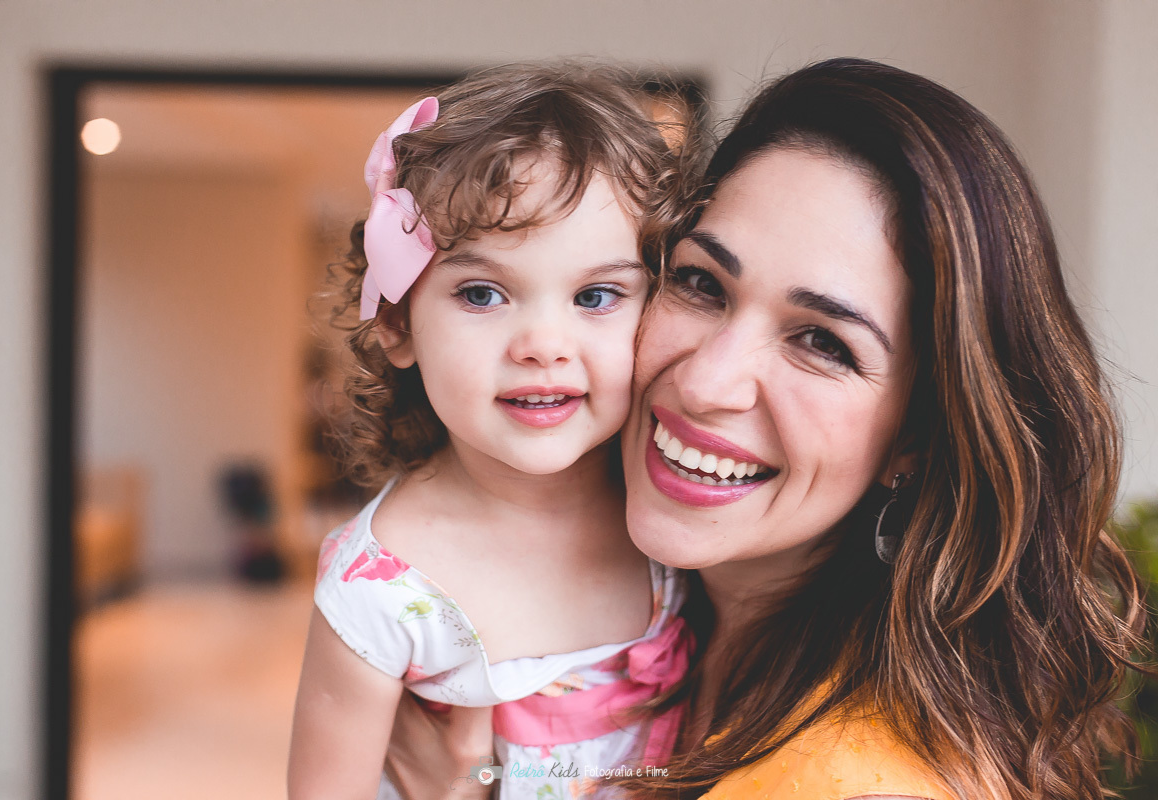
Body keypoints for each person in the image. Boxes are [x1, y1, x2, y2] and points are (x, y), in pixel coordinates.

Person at [612, 57, 1147, 800]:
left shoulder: (854, 782)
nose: (705, 382)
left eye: (823, 342)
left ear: (916, 438)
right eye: (701, 283)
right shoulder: (639, 647)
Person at [287, 64, 693, 800]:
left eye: (596, 295)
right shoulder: (379, 591)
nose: (542, 343)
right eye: (482, 293)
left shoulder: (675, 507)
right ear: (398, 320)